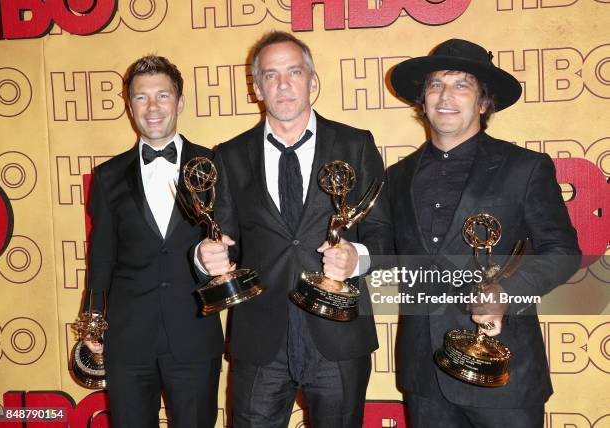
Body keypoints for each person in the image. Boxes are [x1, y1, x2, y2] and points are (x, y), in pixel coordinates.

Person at [196, 31, 392, 427]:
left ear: (313, 81)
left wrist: (357, 258)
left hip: (337, 333)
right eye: (271, 75)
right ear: (257, 88)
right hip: (261, 336)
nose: (283, 85)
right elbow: (221, 242)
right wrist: (205, 257)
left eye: (294, 72)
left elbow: (384, 234)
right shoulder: (229, 155)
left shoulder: (355, 144)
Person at [388, 39, 581, 428]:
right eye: (435, 84)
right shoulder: (395, 178)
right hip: (425, 375)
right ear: (422, 100)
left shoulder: (525, 168)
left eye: (462, 84)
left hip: (504, 371)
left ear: (483, 102)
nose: (446, 95)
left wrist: (507, 292)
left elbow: (563, 251)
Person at [82, 55, 223, 427]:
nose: (153, 107)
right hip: (128, 339)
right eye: (142, 98)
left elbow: (232, 241)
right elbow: (101, 257)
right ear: (130, 107)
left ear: (180, 101)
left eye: (163, 95)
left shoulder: (214, 165)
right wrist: (93, 323)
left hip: (194, 331)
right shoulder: (108, 176)